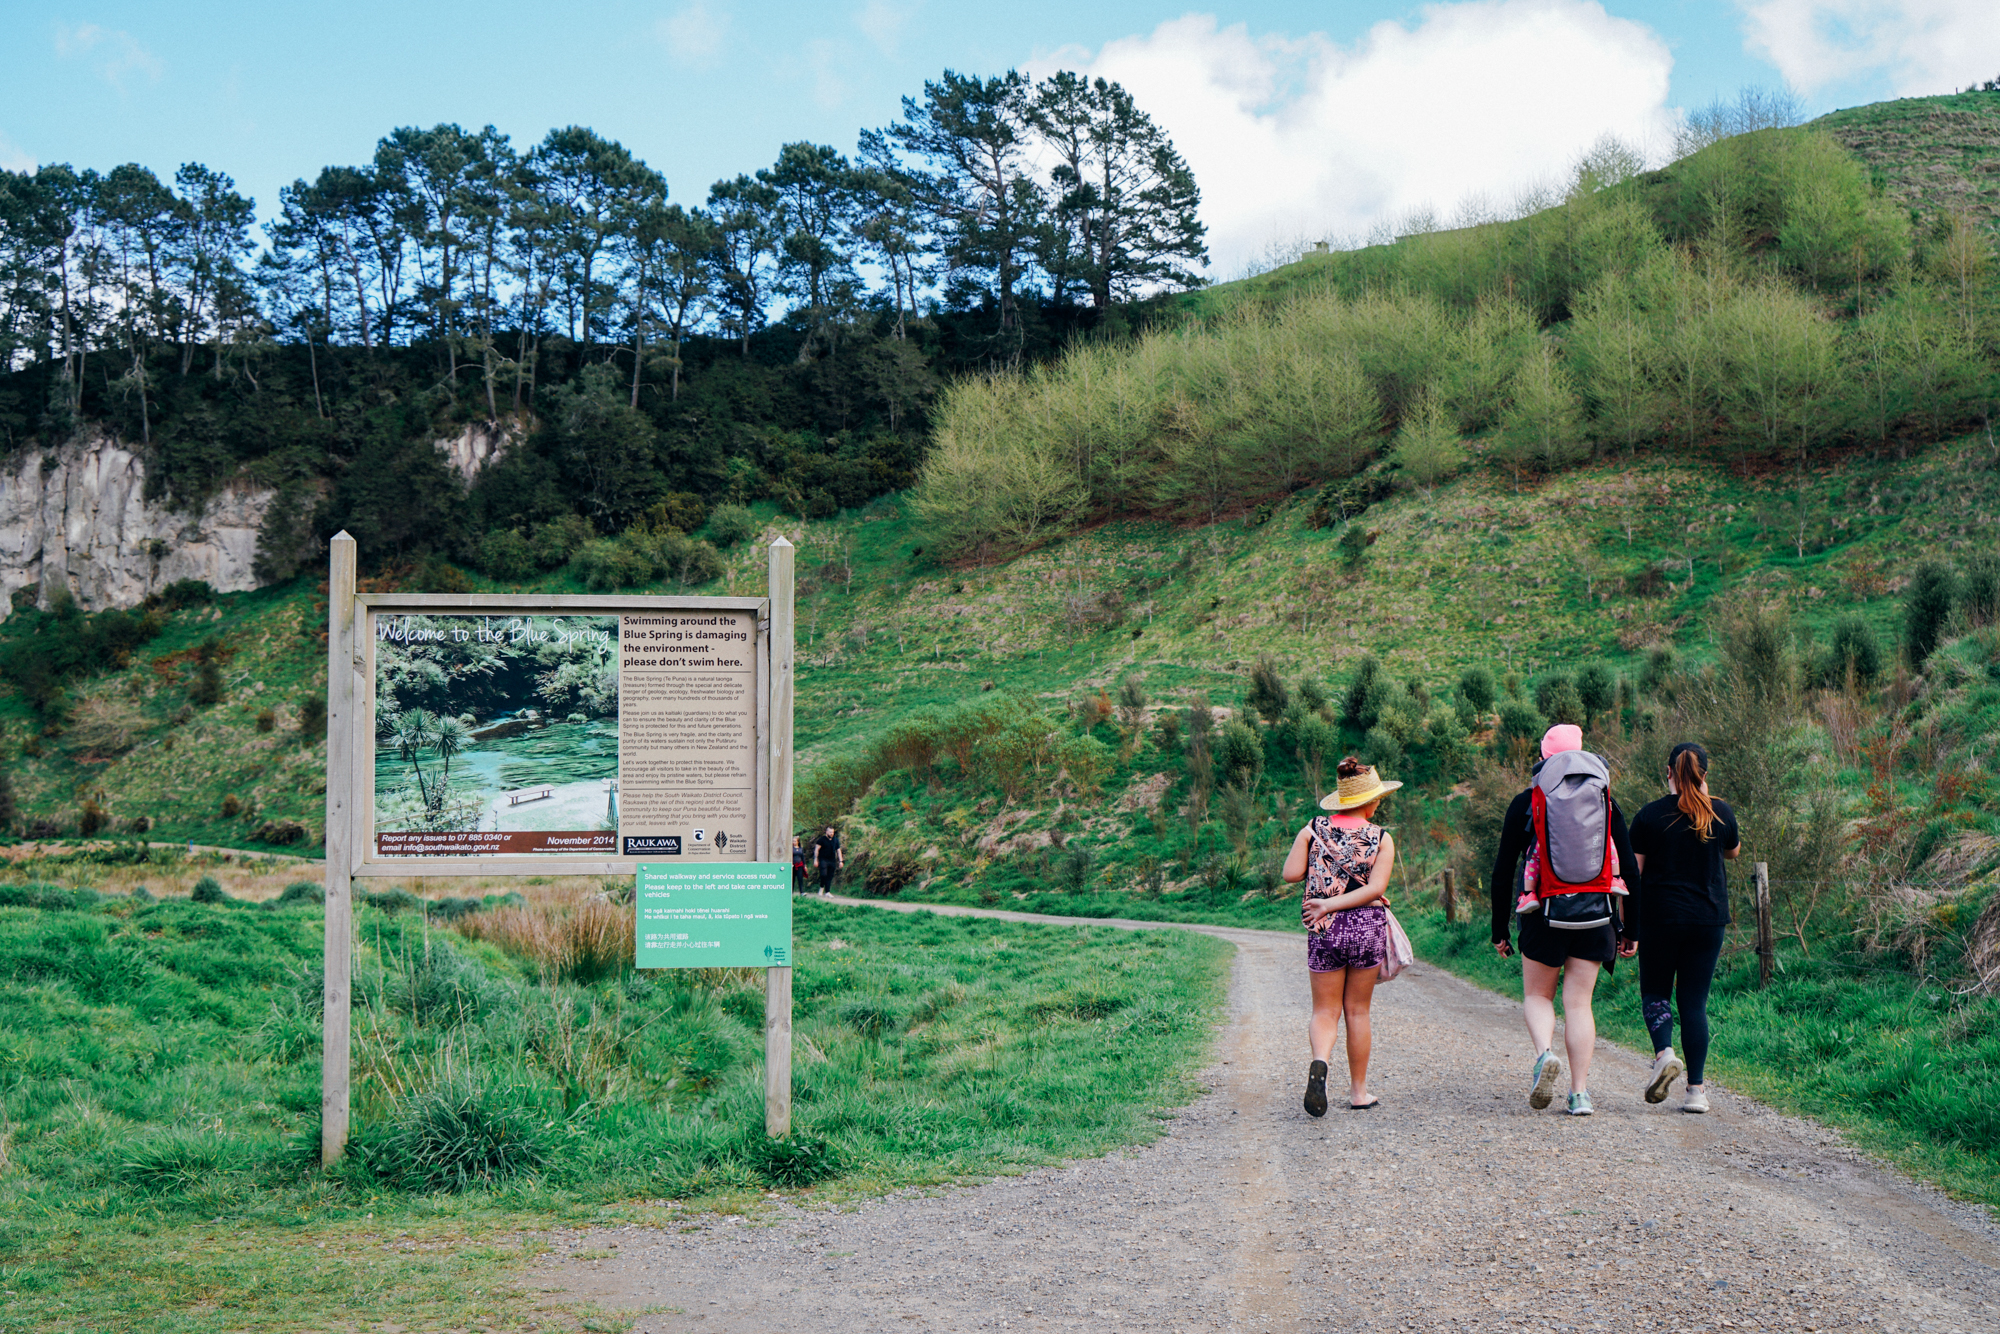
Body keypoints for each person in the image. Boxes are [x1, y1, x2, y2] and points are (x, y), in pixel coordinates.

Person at [1490, 724, 1637, 1117]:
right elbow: (1630, 870)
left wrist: (1499, 929)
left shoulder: (1527, 800)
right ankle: (1580, 1094)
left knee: (1539, 996)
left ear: (1543, 758)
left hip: (1543, 913)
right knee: (1578, 1004)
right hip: (1596, 914)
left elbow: (1503, 870)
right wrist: (1631, 927)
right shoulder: (1605, 799)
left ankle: (1544, 1055)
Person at [1283, 756, 1400, 1117]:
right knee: (1357, 1011)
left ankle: (1320, 1062)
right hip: (1366, 928)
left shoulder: (1314, 829)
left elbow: (1290, 874)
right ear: (1372, 801)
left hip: (1323, 929)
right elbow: (1376, 888)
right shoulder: (1381, 837)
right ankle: (1359, 1092)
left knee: (1324, 1010)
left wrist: (1306, 837)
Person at [1629, 741, 1741, 1115]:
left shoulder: (1648, 817)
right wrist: (1705, 799)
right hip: (1708, 921)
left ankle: (1664, 1054)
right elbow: (1732, 852)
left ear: (1668, 773)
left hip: (1660, 919)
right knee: (1694, 1004)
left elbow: (1634, 872)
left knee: (1656, 994)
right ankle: (1696, 1092)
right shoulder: (1721, 813)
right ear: (1704, 775)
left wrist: (1626, 925)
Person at [810, 825, 843, 896]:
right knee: (823, 874)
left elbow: (838, 850)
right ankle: (821, 887)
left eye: (833, 832)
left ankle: (827, 891)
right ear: (826, 832)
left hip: (832, 860)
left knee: (830, 876)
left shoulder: (836, 840)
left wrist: (841, 861)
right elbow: (817, 849)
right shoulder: (821, 840)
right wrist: (815, 860)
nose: (831, 833)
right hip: (823, 859)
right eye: (830, 832)